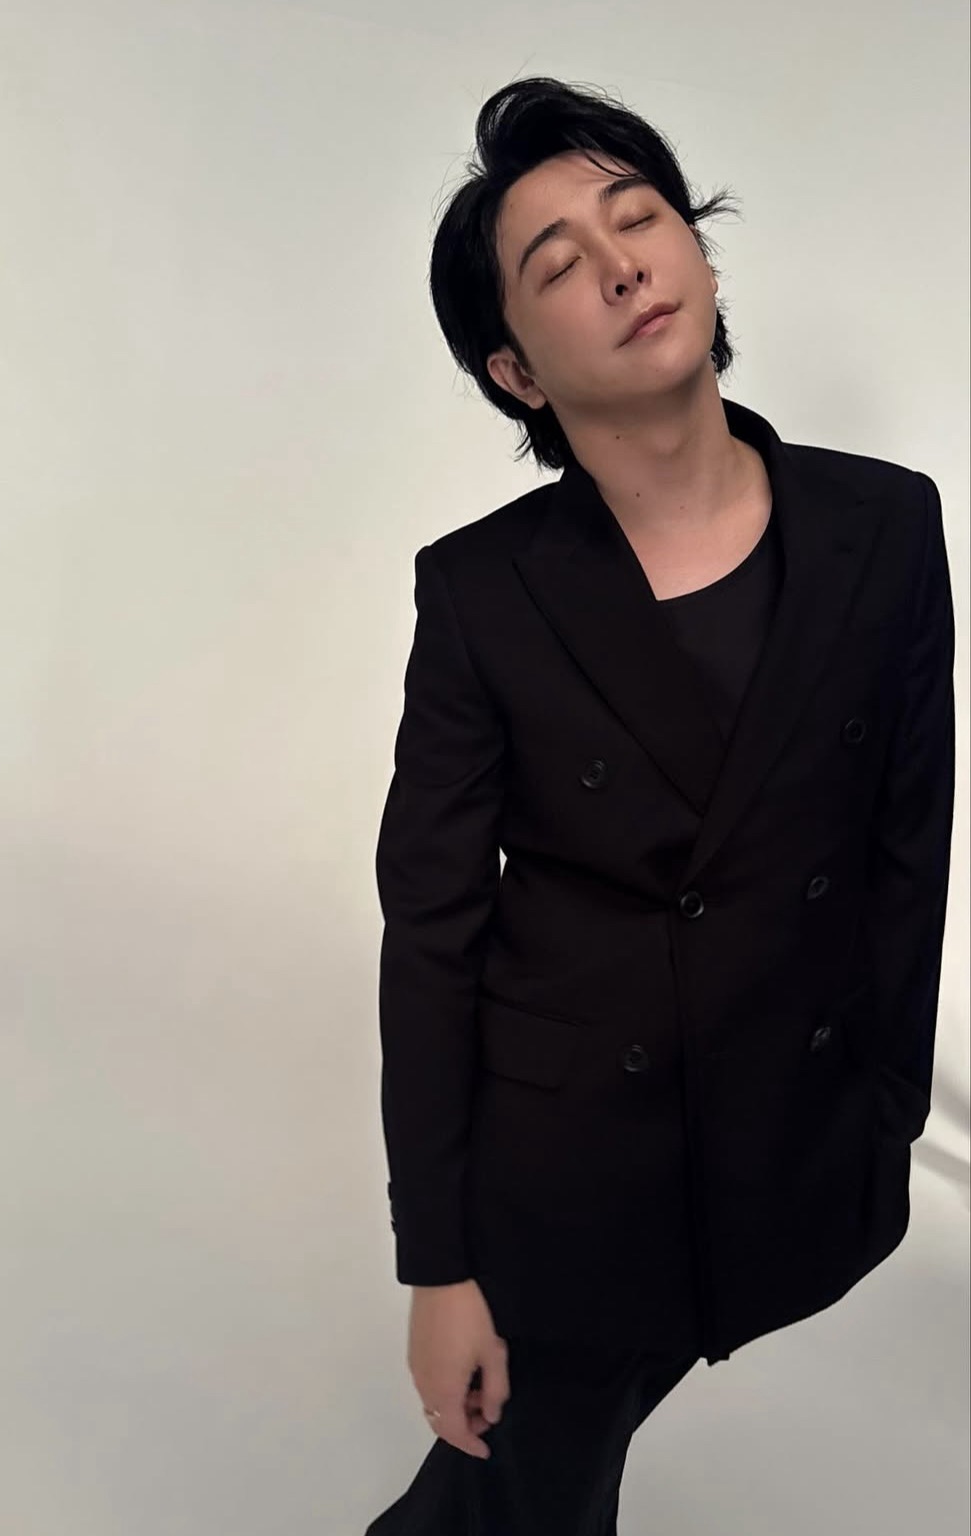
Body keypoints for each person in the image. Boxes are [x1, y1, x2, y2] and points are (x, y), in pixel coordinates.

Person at [364, 77, 957, 1534]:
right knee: (526, 1497)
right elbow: (431, 934)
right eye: (560, 261)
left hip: (788, 1131)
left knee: (521, 1487)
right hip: (572, 1165)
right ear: (517, 373)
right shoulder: (484, 592)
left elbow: (909, 843)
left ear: (699, 254)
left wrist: (885, 1099)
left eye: (640, 218)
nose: (624, 264)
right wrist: (440, 1266)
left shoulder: (885, 524)